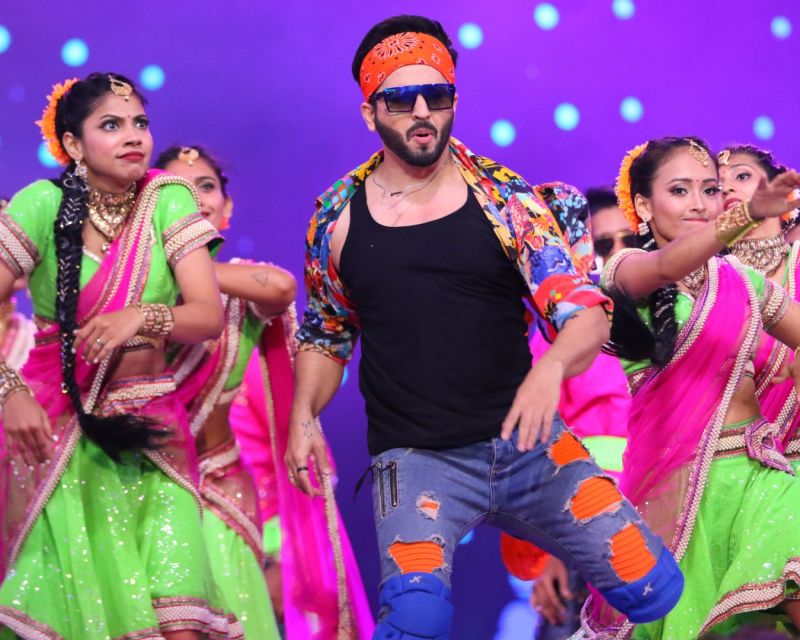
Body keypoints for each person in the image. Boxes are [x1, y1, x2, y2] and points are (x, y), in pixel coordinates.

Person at [287, 15, 685, 639]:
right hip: (417, 460)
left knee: (653, 586)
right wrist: (303, 415)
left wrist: (553, 367)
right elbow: (326, 332)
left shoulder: (506, 200)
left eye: (437, 95)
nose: (423, 112)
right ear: (370, 112)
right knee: (415, 621)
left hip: (529, 447)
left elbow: (582, 311)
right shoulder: (335, 218)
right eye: (401, 98)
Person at [0, 73, 242, 639]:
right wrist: (8, 390)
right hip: (60, 436)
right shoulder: (42, 204)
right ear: (74, 144)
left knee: (180, 623)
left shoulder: (168, 198)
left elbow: (206, 315)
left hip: (156, 434)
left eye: (140, 123)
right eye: (111, 125)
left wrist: (142, 316)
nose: (134, 136)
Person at [578, 137, 800, 639]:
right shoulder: (624, 270)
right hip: (678, 500)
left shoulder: (742, 281)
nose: (699, 203)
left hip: (761, 481)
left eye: (710, 190)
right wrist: (743, 217)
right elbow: (666, 267)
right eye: (680, 190)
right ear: (643, 206)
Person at [158, 145, 374, 639]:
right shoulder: (129, 289)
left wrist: (187, 269)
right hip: (145, 488)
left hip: (221, 494)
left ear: (227, 209)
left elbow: (280, 287)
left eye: (207, 187)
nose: (197, 198)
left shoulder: (242, 292)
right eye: (177, 190)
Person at [525, 187, 632, 640]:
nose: (619, 252)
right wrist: (550, 552)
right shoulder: (558, 337)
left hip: (668, 510)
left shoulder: (678, 317)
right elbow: (538, 447)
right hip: (581, 525)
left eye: (630, 239)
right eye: (604, 244)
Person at [719, 144, 800, 469]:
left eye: (742, 176)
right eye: (715, 186)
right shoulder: (710, 286)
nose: (727, 188)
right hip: (742, 468)